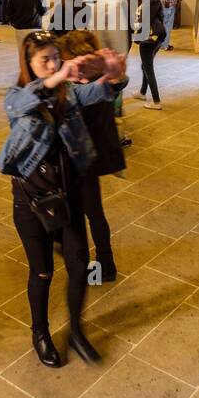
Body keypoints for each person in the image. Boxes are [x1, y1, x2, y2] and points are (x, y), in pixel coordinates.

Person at [0, 31, 126, 367]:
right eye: (45, 60)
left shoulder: (70, 94)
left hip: (68, 194)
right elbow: (22, 104)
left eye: (56, 56)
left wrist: (114, 73)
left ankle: (77, 331)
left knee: (79, 265)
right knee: (42, 272)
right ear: (28, 64)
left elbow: (99, 92)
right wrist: (58, 76)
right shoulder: (17, 96)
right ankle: (40, 332)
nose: (54, 64)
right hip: (31, 199)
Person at [58, 29, 122, 281]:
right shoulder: (100, 80)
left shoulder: (83, 86)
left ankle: (97, 263)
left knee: (83, 212)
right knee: (94, 211)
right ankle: (105, 262)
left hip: (80, 159)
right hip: (94, 155)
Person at [134, 0, 167, 109]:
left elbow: (143, 22)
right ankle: (142, 92)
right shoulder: (153, 1)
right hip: (155, 39)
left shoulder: (150, 3)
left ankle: (156, 101)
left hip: (148, 40)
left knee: (148, 69)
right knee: (145, 66)